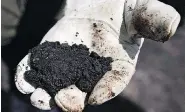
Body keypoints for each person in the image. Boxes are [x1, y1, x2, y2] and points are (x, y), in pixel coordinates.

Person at [1, 0, 182, 112]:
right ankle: (21, 98)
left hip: (58, 11)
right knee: (19, 57)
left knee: (31, 44)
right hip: (9, 16)